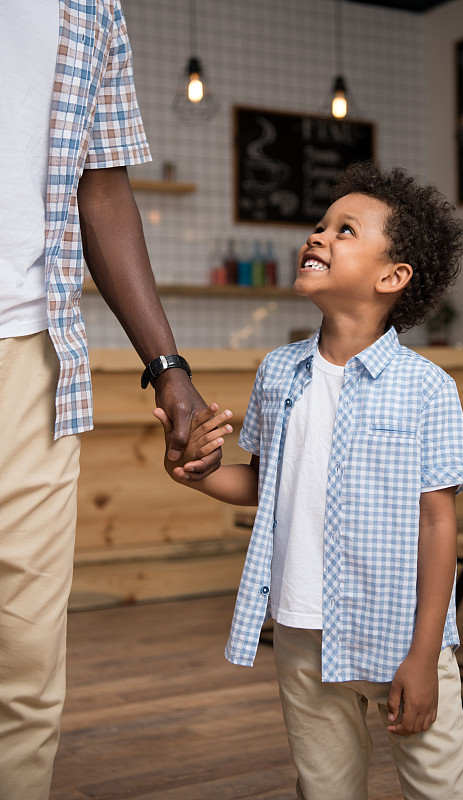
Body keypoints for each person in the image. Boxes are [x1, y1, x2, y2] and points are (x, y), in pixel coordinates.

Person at [156, 159, 463, 800]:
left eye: (344, 230)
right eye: (319, 226)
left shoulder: (427, 389)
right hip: (300, 629)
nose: (318, 237)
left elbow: (436, 519)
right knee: (325, 788)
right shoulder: (278, 372)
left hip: (399, 633)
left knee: (439, 788)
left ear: (392, 277)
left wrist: (423, 655)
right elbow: (263, 485)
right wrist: (194, 475)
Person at [0, 2, 218, 798]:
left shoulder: (93, 9)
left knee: (27, 667)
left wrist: (168, 366)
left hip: (36, 359)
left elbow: (106, 188)